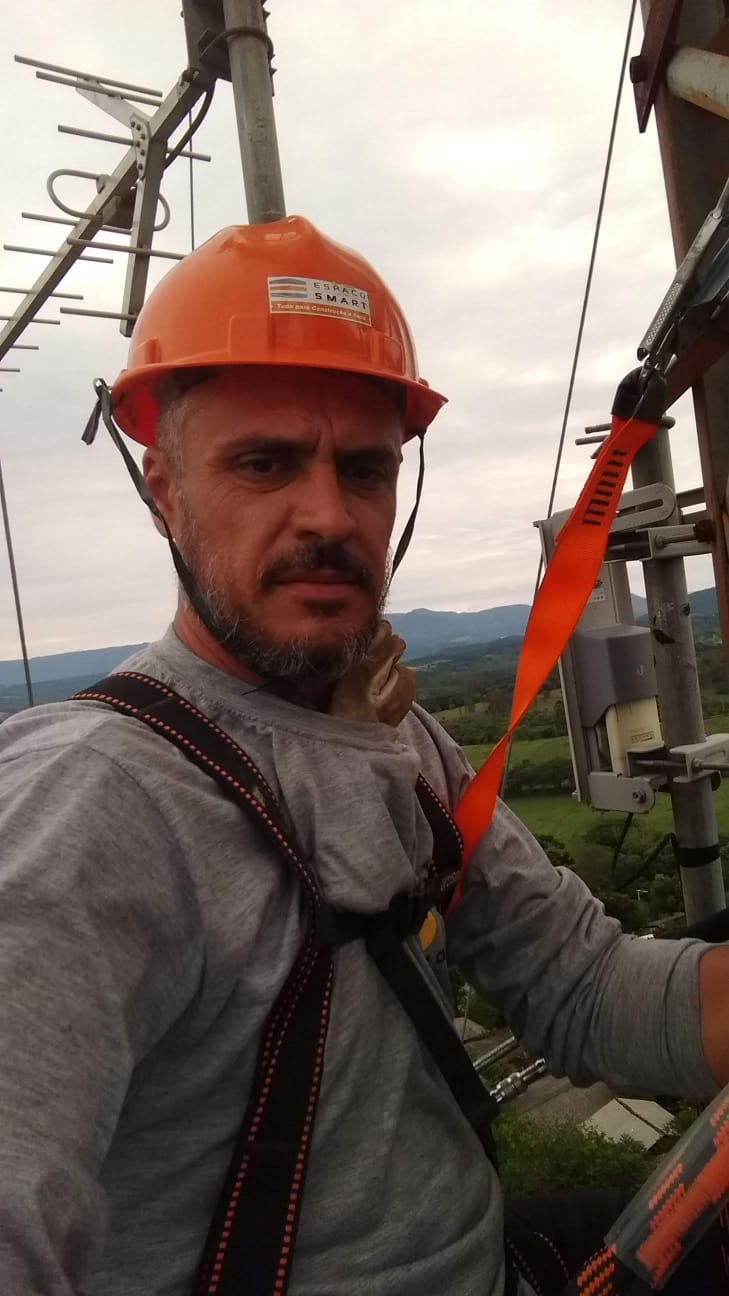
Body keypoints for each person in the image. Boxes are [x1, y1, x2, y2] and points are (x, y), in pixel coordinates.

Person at [0, 215, 727, 1296]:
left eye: (367, 468)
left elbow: (579, 984)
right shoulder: (91, 807)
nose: (329, 516)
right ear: (165, 491)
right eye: (265, 463)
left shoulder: (399, 744)